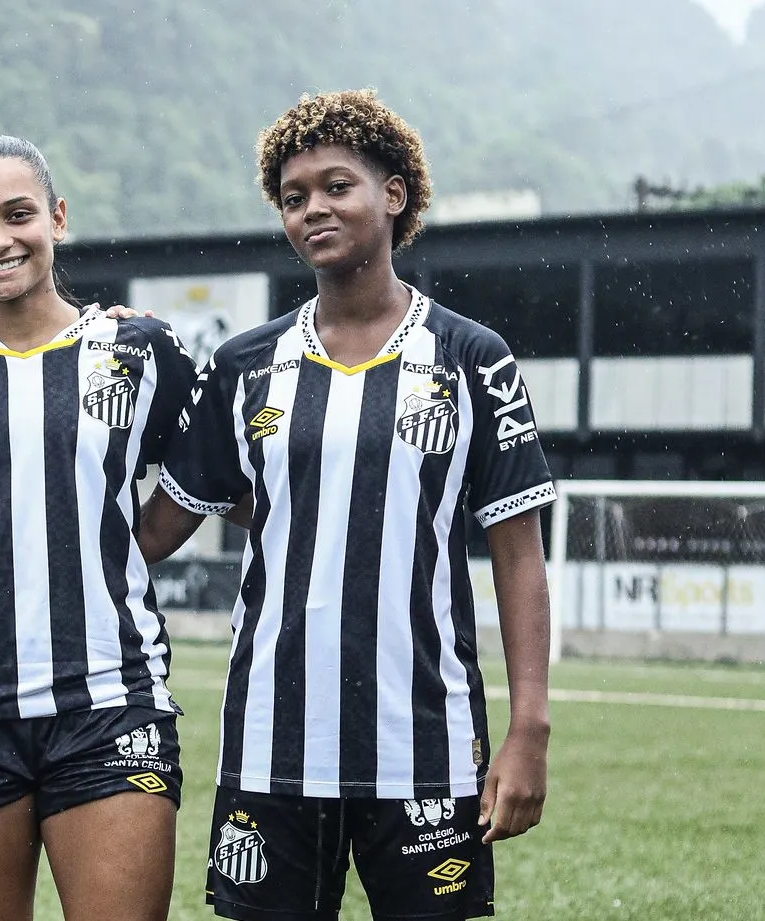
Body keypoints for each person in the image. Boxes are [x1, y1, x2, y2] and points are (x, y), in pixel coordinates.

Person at [136, 89, 552, 921]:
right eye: (294, 198)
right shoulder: (245, 365)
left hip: (424, 743)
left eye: (336, 186)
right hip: (271, 746)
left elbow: (518, 555)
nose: (313, 209)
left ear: (393, 195)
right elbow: (155, 530)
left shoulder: (473, 357)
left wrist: (528, 728)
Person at [0, 135, 199, 921]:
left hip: (109, 699)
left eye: (18, 214)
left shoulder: (141, 351)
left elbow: (207, 487)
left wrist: (109, 545)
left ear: (57, 216)